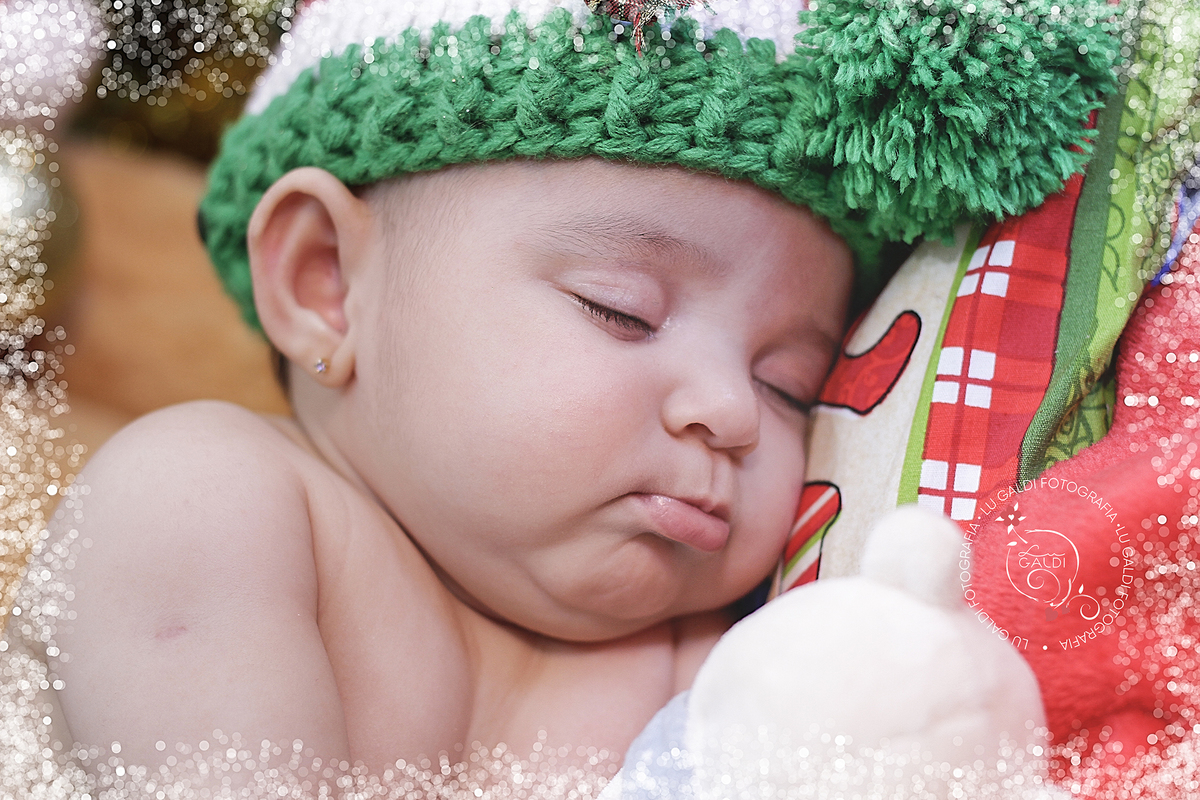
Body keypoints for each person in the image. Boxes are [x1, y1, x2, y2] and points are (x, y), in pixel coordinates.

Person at [27, 0, 1118, 790]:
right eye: (622, 311)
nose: (732, 412)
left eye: (790, 383)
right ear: (327, 284)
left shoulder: (703, 662)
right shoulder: (211, 495)